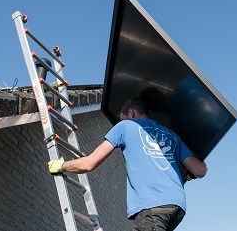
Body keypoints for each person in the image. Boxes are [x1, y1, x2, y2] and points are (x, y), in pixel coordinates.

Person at [48, 97, 207, 231]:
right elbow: (199, 170)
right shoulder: (173, 136)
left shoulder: (125, 126)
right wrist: (188, 173)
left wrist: (62, 166)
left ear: (131, 113)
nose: (120, 122)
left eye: (122, 118)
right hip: (177, 207)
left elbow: (89, 163)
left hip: (153, 206)